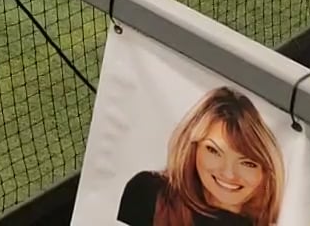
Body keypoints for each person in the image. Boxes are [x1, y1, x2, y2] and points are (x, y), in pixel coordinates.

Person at [118, 86, 284, 226]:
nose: (228, 174)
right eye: (214, 151)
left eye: (247, 163)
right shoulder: (149, 194)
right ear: (193, 148)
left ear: (267, 171)